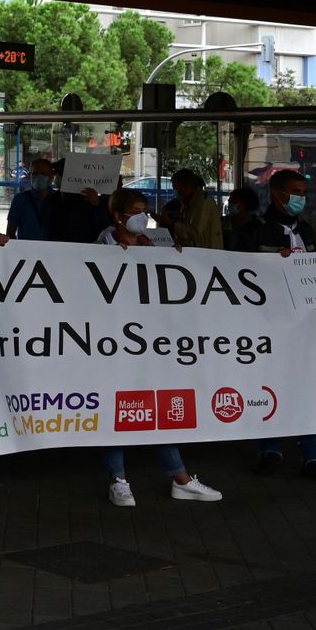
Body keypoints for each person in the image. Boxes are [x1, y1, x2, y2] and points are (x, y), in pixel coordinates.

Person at [95, 188, 223, 506]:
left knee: (157, 406)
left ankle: (180, 479)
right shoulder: (102, 244)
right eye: (136, 210)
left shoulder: (151, 245)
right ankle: (118, 480)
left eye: (145, 210)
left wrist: (175, 259)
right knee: (118, 409)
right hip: (113, 341)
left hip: (148, 341)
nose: (142, 217)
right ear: (118, 216)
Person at [252, 169, 316, 483]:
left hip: (304, 321)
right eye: (295, 192)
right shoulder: (256, 229)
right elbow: (240, 269)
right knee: (269, 383)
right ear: (277, 193)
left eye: (304, 193)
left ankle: (314, 455)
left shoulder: (308, 229)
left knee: (306, 385)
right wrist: (270, 264)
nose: (301, 199)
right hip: (268, 322)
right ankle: (269, 449)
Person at [158, 169, 222, 249]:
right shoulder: (188, 201)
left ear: (186, 186)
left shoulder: (203, 202)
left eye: (177, 188)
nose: (176, 192)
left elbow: (195, 232)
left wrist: (172, 225)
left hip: (207, 252)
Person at [3, 158, 57, 241]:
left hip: (54, 248)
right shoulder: (20, 200)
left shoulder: (59, 200)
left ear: (51, 177)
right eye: (35, 173)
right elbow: (10, 232)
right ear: (30, 176)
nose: (39, 177)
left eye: (43, 174)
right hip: (26, 248)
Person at [223, 187, 262, 253]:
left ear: (244, 203)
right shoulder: (223, 221)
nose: (230, 205)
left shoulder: (256, 224)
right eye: (229, 202)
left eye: (234, 202)